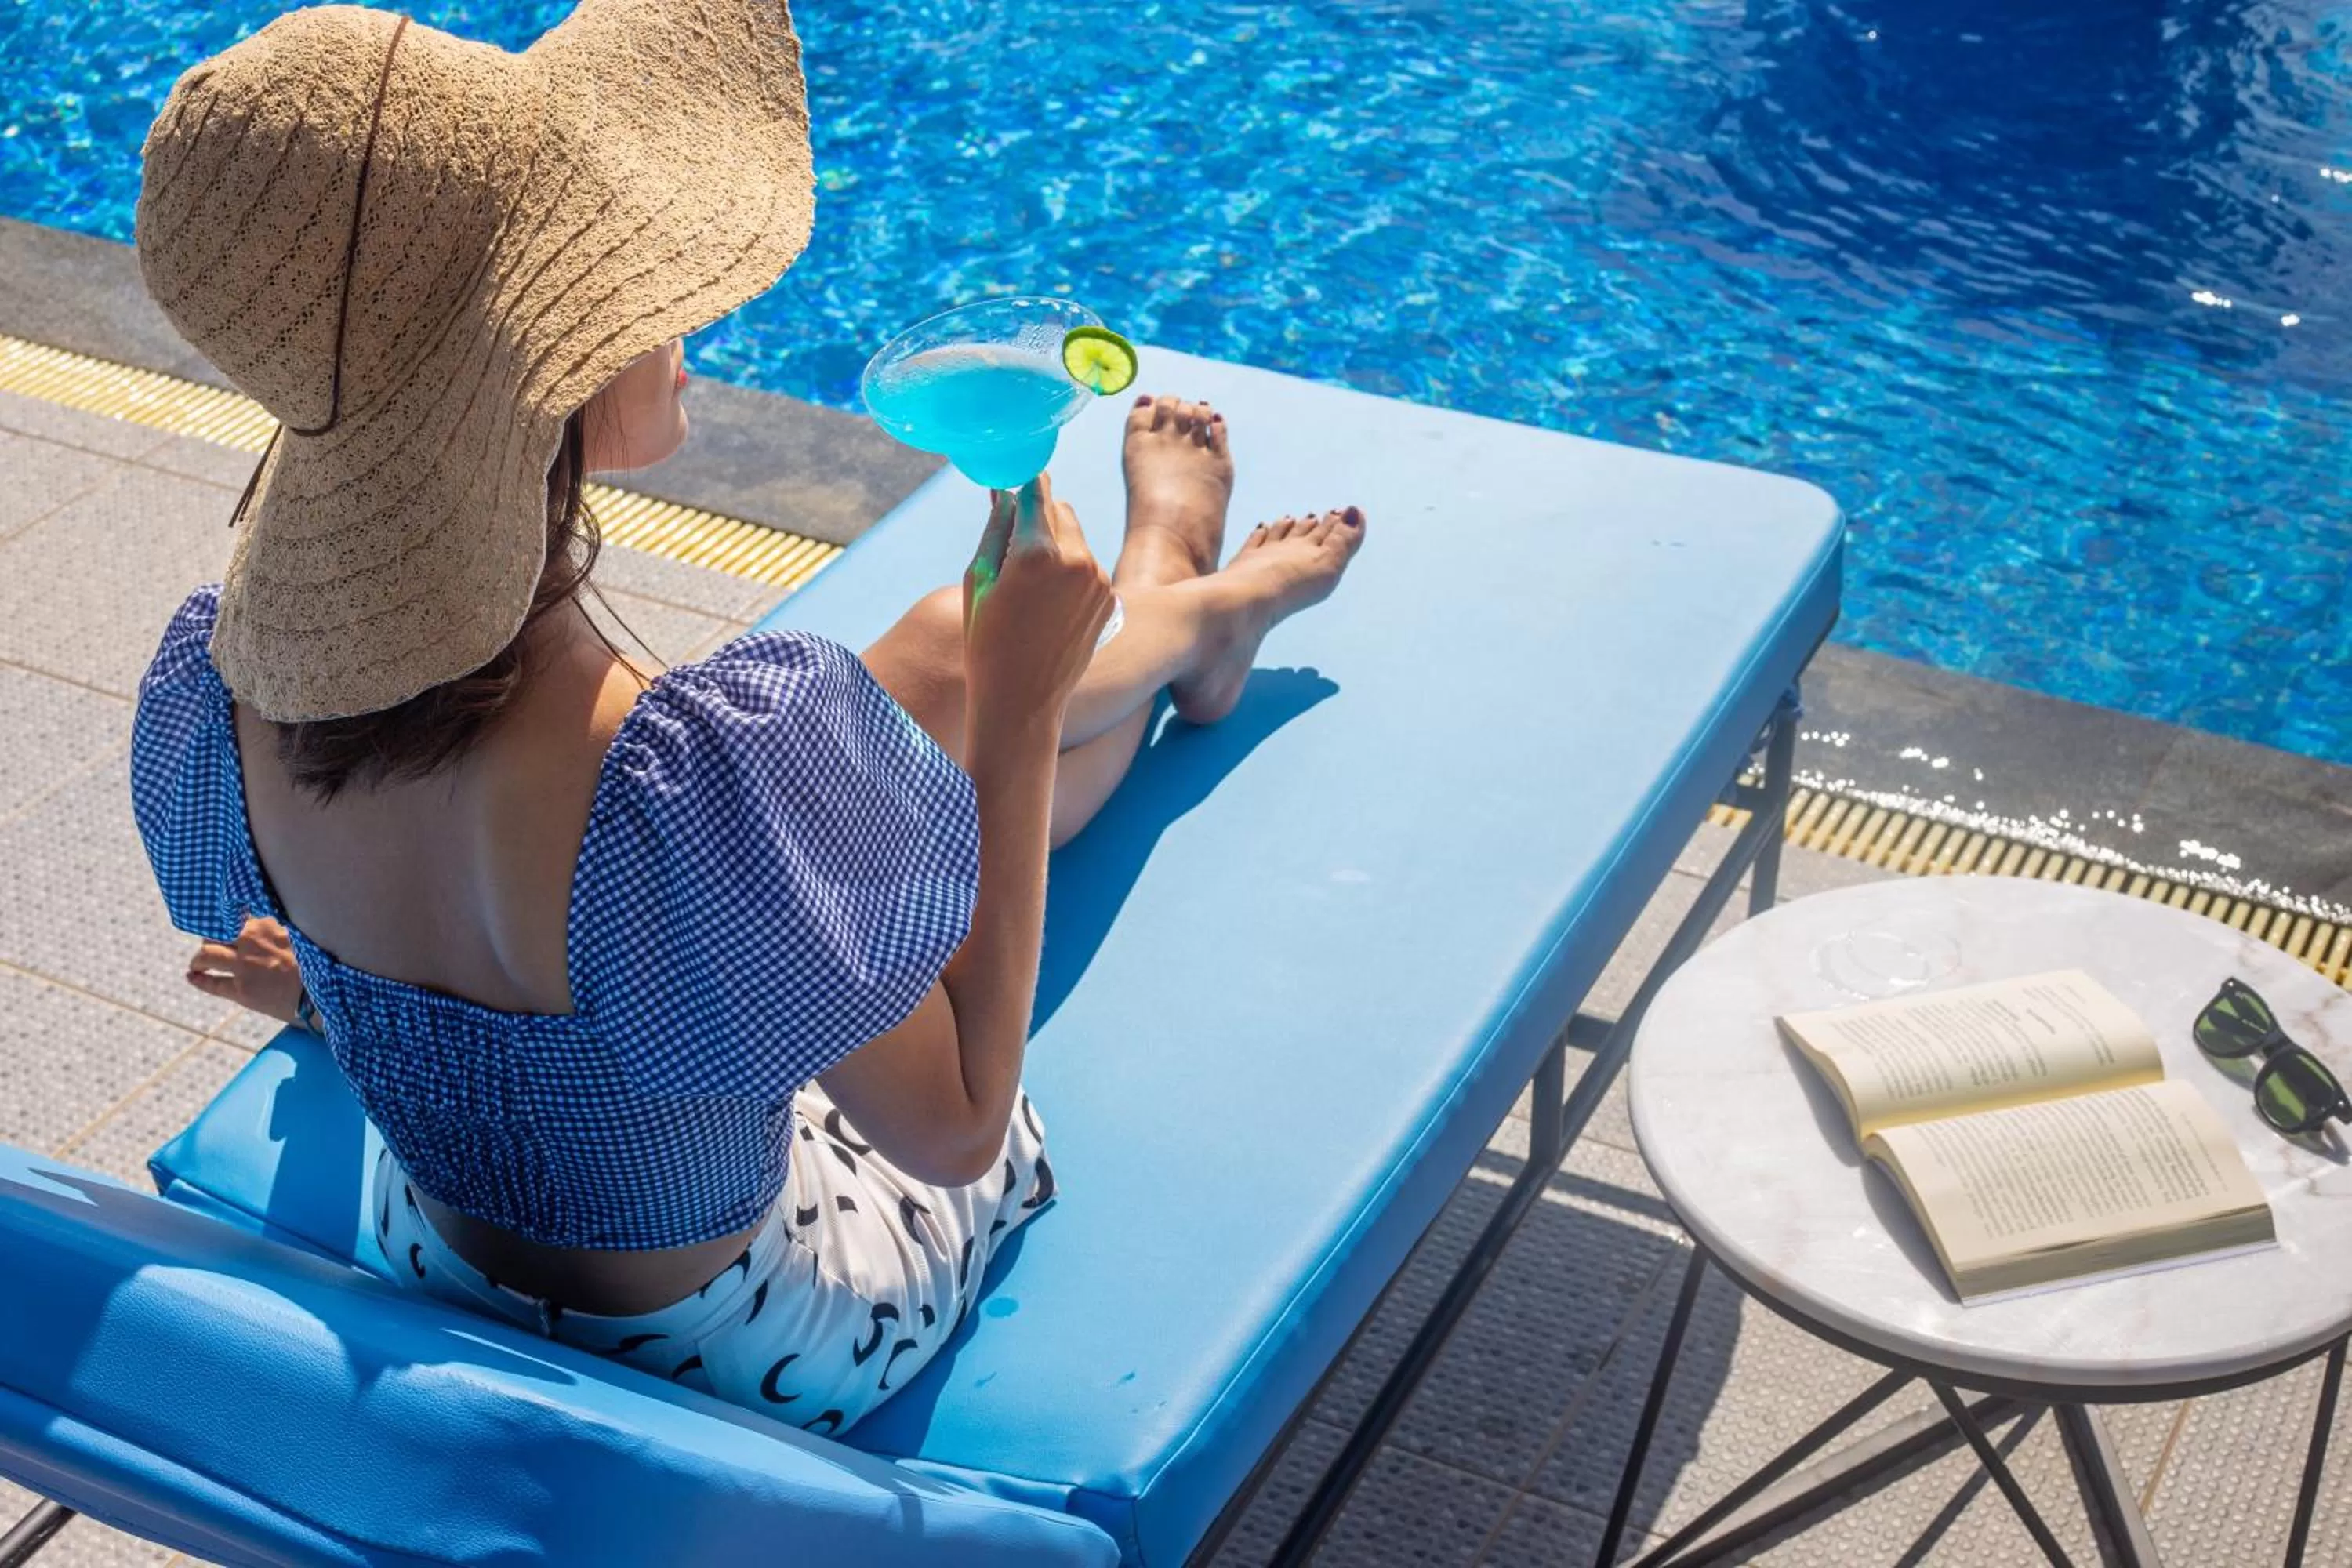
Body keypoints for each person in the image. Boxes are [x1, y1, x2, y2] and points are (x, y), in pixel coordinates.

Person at [129, 0, 1361, 1432]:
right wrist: (1020, 717)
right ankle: (1181, 603)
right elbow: (960, 1128)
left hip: (435, 1249)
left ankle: (1178, 617)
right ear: (551, 371)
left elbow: (476, 965)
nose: (686, 322)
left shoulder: (240, 696)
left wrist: (333, 1001)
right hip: (753, 1327)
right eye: (623, 287)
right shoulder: (669, 788)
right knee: (968, 676)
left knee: (922, 672)